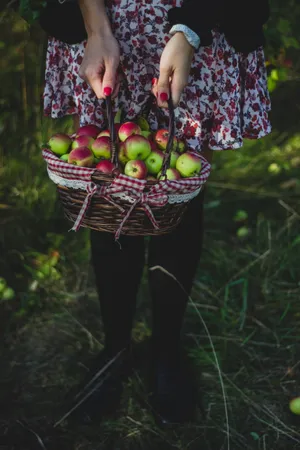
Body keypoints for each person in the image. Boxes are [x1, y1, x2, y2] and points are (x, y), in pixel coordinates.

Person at [42, 0, 271, 426]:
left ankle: (167, 348)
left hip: (201, 18)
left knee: (176, 191)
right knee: (107, 193)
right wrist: (95, 27)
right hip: (113, 24)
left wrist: (189, 31)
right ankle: (115, 348)